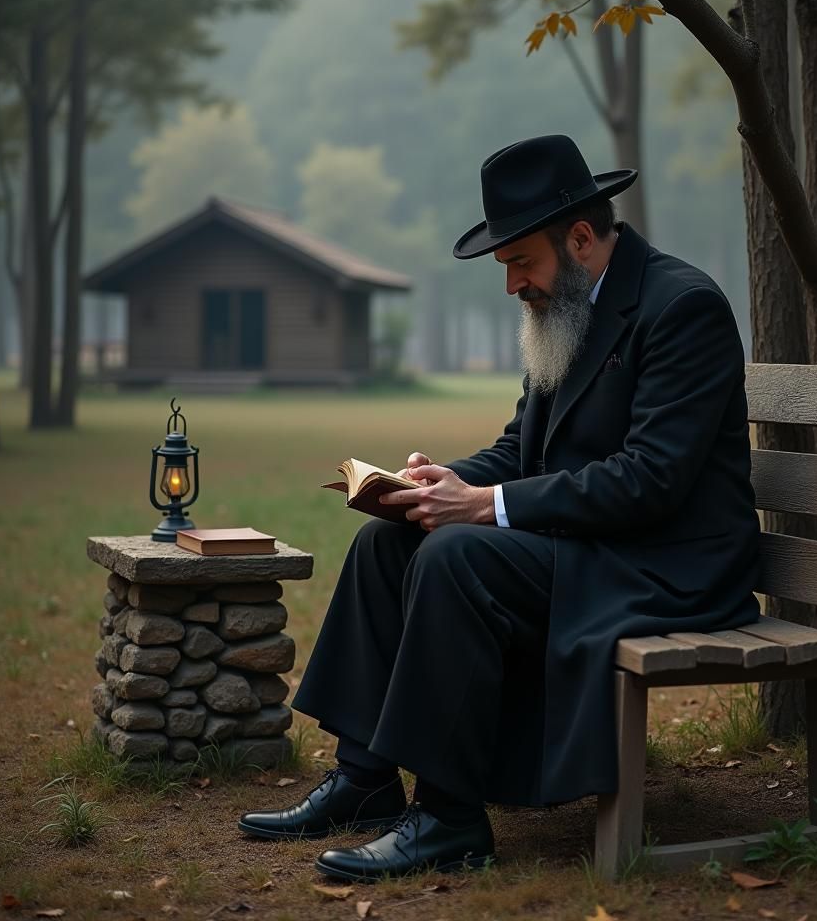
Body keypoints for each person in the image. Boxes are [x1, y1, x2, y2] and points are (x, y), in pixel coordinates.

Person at [238, 133, 761, 881]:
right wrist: (442, 484)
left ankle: (449, 818)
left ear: (579, 239)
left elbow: (652, 480)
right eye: (507, 266)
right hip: (592, 545)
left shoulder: (682, 308)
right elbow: (522, 447)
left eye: (521, 262)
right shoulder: (567, 306)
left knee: (457, 556)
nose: (513, 283)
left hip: (668, 564)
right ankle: (365, 779)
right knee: (391, 543)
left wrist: (485, 506)